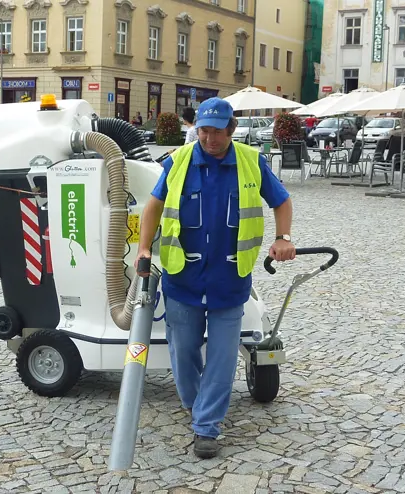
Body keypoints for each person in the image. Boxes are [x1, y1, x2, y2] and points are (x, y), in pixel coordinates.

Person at [135, 97, 295, 459]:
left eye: (217, 132)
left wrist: (283, 237)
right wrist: (144, 248)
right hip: (182, 276)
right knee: (184, 349)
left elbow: (281, 202)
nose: (209, 139)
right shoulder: (178, 162)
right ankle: (196, 405)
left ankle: (207, 426)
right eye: (204, 130)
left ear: (231, 130)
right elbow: (154, 205)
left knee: (223, 356)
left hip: (229, 277)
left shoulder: (252, 162)